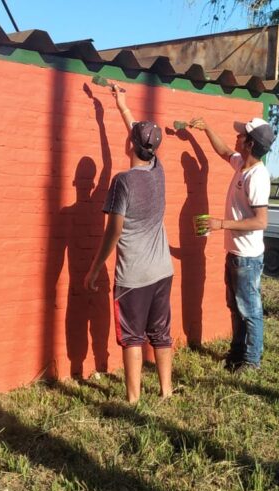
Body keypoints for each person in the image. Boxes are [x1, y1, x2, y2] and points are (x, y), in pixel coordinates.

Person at [84, 83, 174, 403]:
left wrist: (95, 268)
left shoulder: (122, 182)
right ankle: (166, 392)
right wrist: (121, 106)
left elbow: (114, 231)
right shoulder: (158, 171)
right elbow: (140, 135)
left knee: (133, 337)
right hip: (163, 271)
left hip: (133, 276)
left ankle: (134, 400)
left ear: (130, 144)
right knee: (160, 333)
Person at [188, 116, 275, 373]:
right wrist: (207, 128)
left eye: (241, 135)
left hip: (247, 257)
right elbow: (225, 151)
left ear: (250, 143)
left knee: (249, 309)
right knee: (236, 307)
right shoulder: (241, 165)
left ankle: (252, 361)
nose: (236, 138)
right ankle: (237, 354)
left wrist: (221, 224)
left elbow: (261, 221)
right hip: (236, 253)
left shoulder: (257, 177)